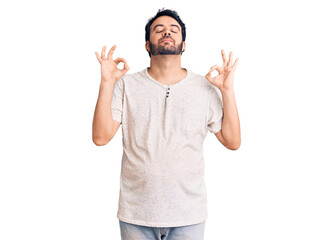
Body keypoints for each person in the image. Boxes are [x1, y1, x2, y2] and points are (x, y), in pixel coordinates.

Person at [92, 8, 241, 240]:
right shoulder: (126, 85)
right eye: (158, 30)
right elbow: (100, 137)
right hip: (136, 215)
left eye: (174, 30)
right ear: (147, 45)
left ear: (183, 45)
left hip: (188, 216)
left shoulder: (204, 87)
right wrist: (106, 82)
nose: (166, 33)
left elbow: (232, 141)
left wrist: (227, 91)